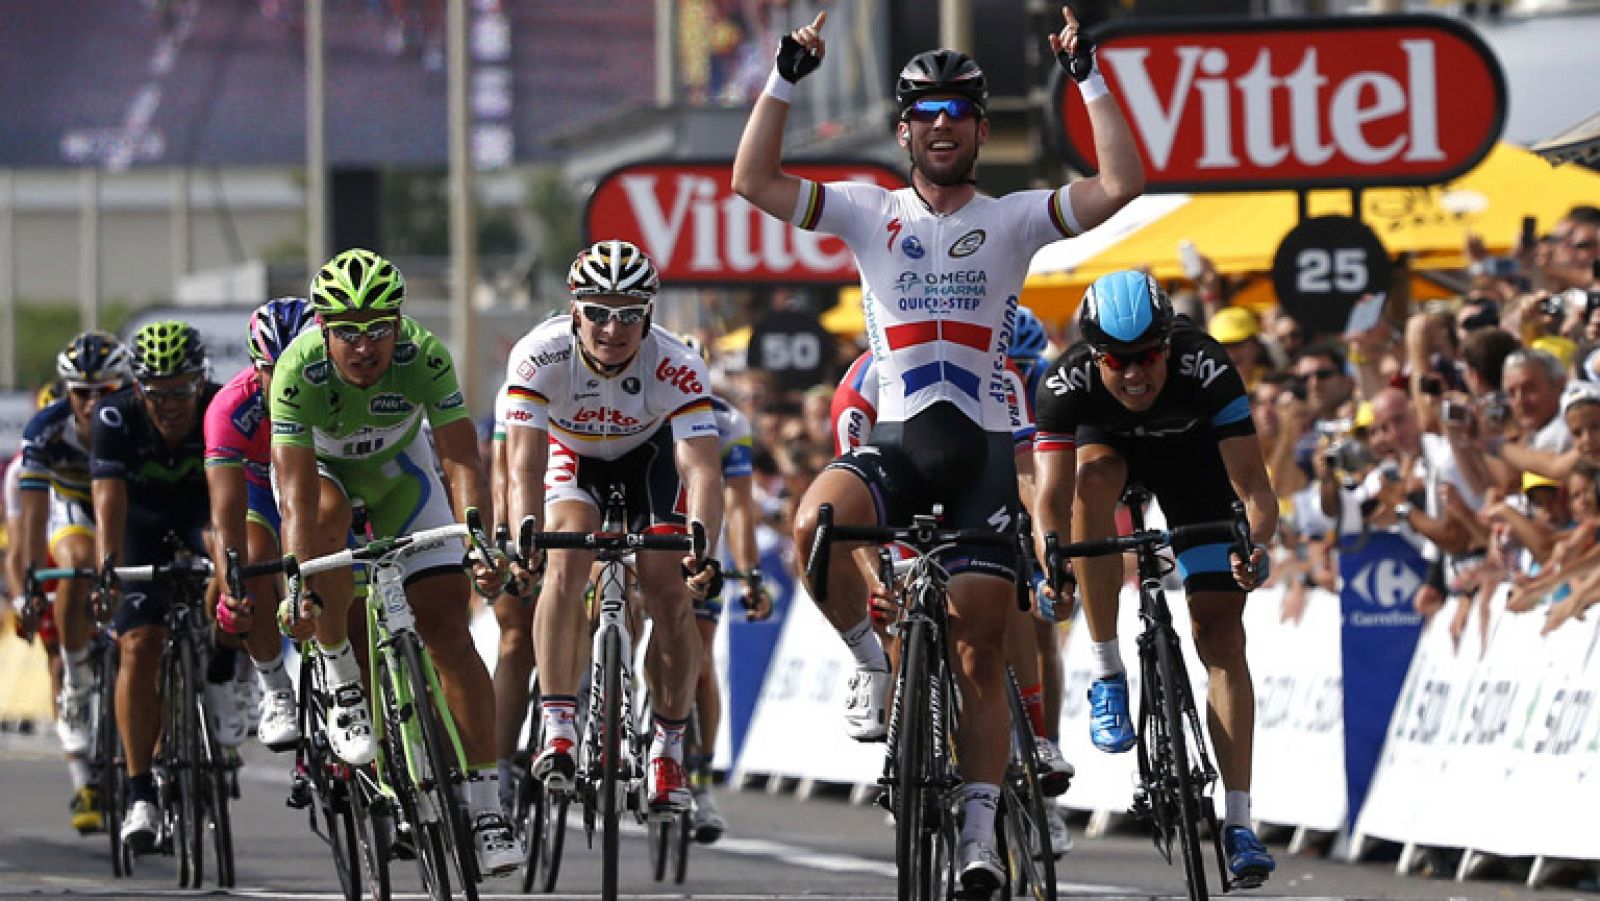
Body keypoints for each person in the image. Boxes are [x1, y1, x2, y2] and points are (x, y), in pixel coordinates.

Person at [732, 5, 1144, 888]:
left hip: (980, 454)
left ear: (983, 130)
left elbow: (1120, 182)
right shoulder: (867, 209)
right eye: (926, 112)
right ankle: (869, 662)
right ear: (904, 130)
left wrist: (1089, 76)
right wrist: (783, 79)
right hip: (896, 441)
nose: (943, 125)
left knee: (981, 653)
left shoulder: (1016, 217)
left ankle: (979, 836)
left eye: (960, 111)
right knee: (814, 525)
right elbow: (753, 180)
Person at [269, 249, 520, 875]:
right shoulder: (296, 371)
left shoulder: (423, 355)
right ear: (323, 328)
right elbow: (296, 498)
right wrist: (297, 582)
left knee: (448, 628)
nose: (365, 345)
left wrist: (479, 541)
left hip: (402, 478)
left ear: (399, 324)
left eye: (379, 328)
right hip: (325, 481)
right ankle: (342, 676)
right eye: (348, 331)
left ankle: (487, 808)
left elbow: (461, 460)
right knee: (326, 515)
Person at [1032, 270, 1280, 886]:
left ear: (1168, 345)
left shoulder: (1207, 366)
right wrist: (1054, 566)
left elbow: (1255, 489)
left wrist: (1255, 546)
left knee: (1220, 637)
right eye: (1117, 362)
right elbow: (1050, 502)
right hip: (1108, 456)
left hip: (1195, 467)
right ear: (1095, 356)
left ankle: (1239, 821)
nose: (1135, 374)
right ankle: (1107, 671)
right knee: (1091, 485)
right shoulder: (1066, 381)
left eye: (1147, 356)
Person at [501, 240, 724, 817]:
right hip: (572, 458)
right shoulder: (539, 355)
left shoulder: (676, 363)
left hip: (649, 461)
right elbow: (522, 467)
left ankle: (668, 750)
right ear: (574, 310)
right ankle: (558, 725)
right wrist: (524, 537)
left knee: (669, 588)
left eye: (628, 313)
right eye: (598, 311)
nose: (612, 328)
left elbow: (702, 470)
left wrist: (703, 549)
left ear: (648, 314)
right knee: (564, 558)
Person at [89, 321, 229, 853]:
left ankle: (225, 664)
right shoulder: (115, 416)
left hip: (201, 514)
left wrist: (230, 565)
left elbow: (229, 499)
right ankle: (140, 791)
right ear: (137, 387)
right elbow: (108, 500)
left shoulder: (219, 407)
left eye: (182, 390)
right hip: (140, 523)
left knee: (232, 569)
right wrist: (108, 568)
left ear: (201, 380)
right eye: (156, 393)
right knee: (140, 644)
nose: (170, 404)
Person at [205, 298, 316, 751]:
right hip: (257, 492)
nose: (287, 380)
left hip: (318, 482)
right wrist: (232, 588)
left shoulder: (339, 386)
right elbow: (226, 516)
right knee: (250, 561)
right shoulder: (230, 408)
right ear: (256, 369)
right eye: (275, 370)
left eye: (297, 367)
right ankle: (275, 688)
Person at [678, 333, 773, 844]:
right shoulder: (632, 408)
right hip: (643, 539)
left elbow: (738, 507)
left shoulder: (727, 422)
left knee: (698, 663)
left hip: (698, 548)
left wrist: (750, 571)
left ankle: (701, 780)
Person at [14, 358, 111, 834]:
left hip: (119, 512)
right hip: (66, 525)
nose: (91, 405)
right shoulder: (33, 452)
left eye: (101, 392)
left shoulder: (129, 421)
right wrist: (25, 593)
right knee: (58, 658)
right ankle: (81, 775)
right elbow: (23, 538)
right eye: (80, 395)